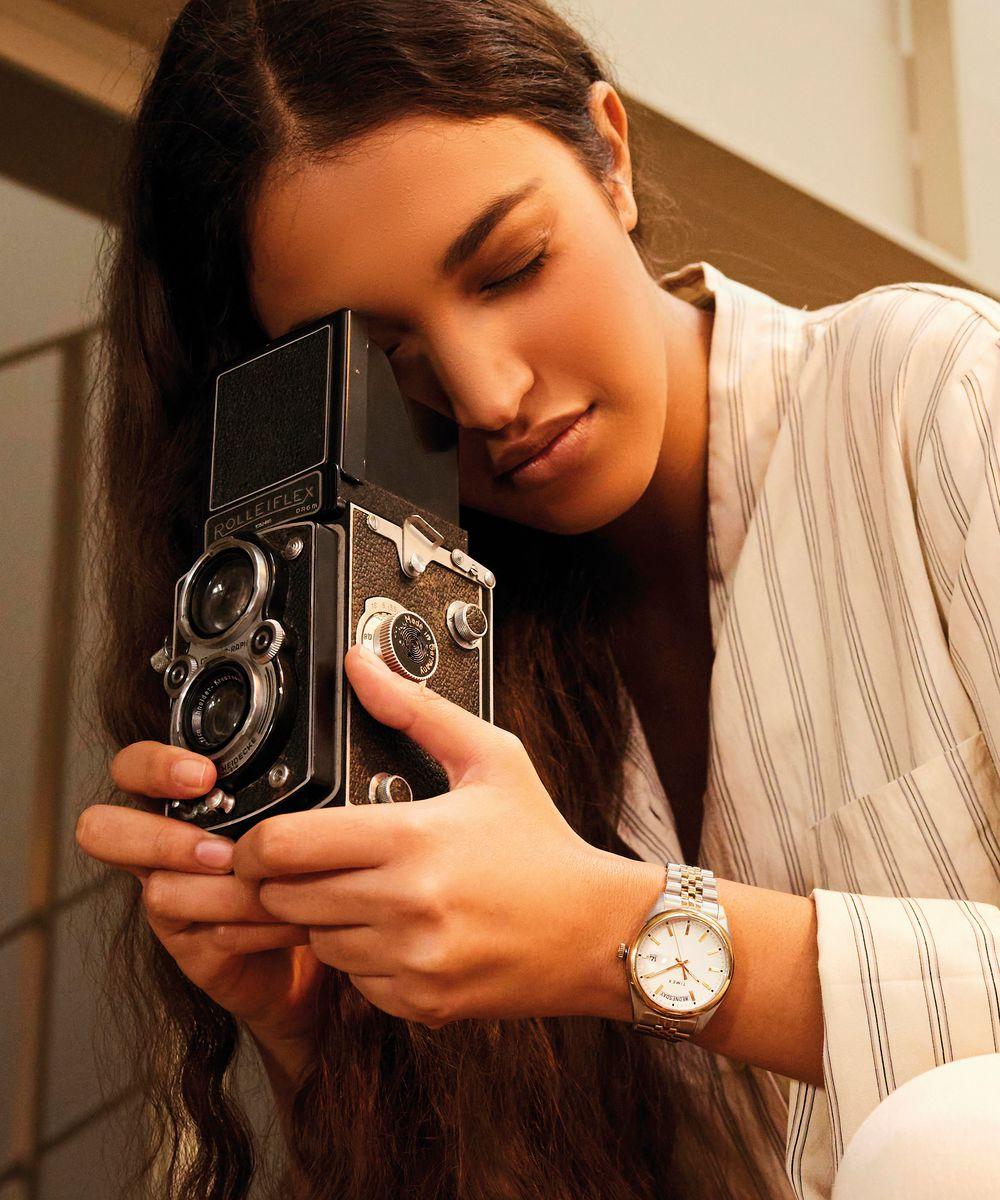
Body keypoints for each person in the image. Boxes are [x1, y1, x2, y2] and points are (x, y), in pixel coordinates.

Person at [72, 1, 1000, 1198]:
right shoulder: (427, 651)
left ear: (609, 154)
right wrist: (316, 1036)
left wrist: (618, 934)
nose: (486, 393)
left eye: (511, 268)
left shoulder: (938, 398)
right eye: (385, 360)